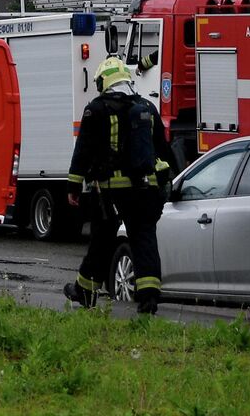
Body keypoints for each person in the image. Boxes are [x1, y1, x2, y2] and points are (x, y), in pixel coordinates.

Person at [64, 56, 174, 314]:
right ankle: (148, 297)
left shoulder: (96, 109)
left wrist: (73, 187)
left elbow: (83, 152)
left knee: (101, 241)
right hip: (145, 190)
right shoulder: (146, 107)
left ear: (104, 81)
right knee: (144, 239)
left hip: (110, 193)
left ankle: (86, 292)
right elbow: (163, 150)